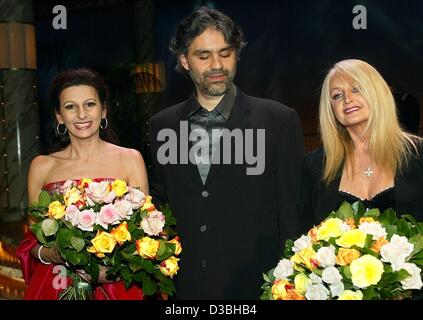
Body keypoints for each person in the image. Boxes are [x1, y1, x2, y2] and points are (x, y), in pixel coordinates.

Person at [149, 7, 304, 299]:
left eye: (225, 52)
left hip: (258, 287)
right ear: (184, 60)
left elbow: (292, 213)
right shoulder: (162, 125)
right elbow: (162, 207)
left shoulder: (278, 120)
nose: (217, 64)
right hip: (186, 289)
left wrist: (288, 284)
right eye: (203, 56)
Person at [16, 68, 149, 299]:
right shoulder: (42, 166)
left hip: (117, 288)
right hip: (57, 285)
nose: (81, 115)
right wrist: (52, 253)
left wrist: (116, 268)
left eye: (89, 104)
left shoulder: (130, 159)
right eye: (70, 107)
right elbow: (33, 243)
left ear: (103, 109)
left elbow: (145, 234)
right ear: (59, 116)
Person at [299, 59, 423, 233]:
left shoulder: (418, 153)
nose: (347, 99)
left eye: (356, 89)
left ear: (377, 93)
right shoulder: (315, 165)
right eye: (337, 95)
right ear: (330, 109)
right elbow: (303, 234)